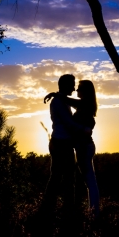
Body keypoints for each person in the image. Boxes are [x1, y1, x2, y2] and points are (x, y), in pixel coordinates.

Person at [44, 79, 100, 218]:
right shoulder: (82, 104)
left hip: (85, 147)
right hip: (82, 147)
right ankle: (92, 211)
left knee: (89, 181)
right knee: (87, 181)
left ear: (86, 91)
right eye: (75, 86)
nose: (76, 90)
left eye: (79, 88)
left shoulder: (84, 104)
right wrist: (55, 94)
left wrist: (55, 94)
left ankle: (94, 212)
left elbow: (70, 106)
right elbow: (69, 103)